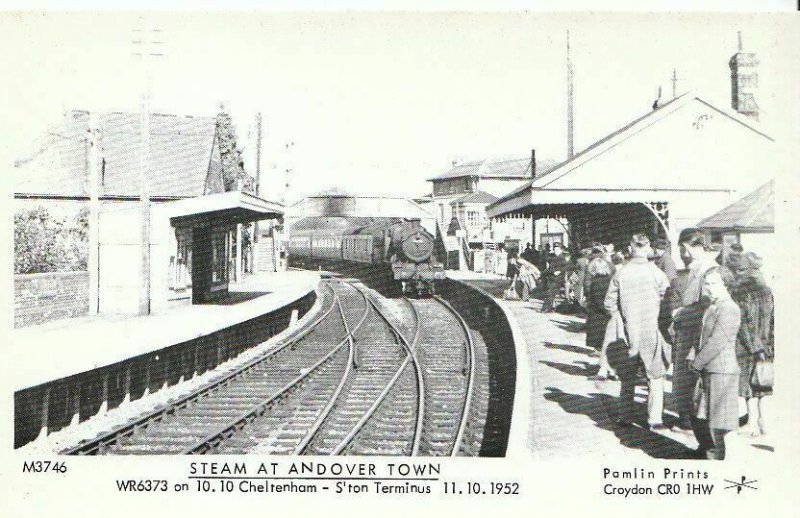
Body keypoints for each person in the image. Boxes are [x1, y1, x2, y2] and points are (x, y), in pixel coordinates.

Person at [604, 234, 670, 429]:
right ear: (648, 247)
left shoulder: (621, 273)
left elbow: (609, 303)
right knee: (655, 376)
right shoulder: (658, 274)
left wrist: (620, 317)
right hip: (652, 329)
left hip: (627, 331)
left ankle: (625, 416)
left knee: (628, 376)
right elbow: (666, 300)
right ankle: (655, 419)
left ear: (630, 248)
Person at [690, 269, 741, 460]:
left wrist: (697, 363)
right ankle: (708, 453)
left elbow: (718, 341)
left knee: (718, 423)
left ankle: (719, 462)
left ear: (726, 284)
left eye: (714, 284)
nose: (708, 288)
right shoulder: (713, 306)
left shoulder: (729, 308)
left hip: (721, 371)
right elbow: (702, 337)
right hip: (709, 369)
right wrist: (693, 357)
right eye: (706, 284)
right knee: (703, 417)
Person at [671, 230, 718, 434]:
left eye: (682, 249)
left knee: (692, 381)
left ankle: (693, 425)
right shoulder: (698, 269)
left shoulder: (708, 271)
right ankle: (691, 422)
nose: (682, 254)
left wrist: (682, 312)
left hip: (696, 336)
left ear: (686, 247)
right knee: (687, 381)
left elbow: (711, 306)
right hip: (689, 334)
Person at [729, 251, 773, 437]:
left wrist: (753, 346)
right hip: (766, 343)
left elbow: (743, 322)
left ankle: (751, 422)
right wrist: (768, 344)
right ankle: (763, 422)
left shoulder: (739, 290)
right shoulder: (766, 289)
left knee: (748, 385)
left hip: (747, 346)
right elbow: (773, 320)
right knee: (763, 382)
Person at [585, 254, 613, 353]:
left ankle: (598, 349)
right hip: (608, 309)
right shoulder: (610, 279)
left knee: (597, 330)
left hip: (598, 310)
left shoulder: (595, 282)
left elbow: (595, 298)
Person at [541, 242, 567, 313]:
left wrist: (559, 271)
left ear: (560, 250)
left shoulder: (562, 258)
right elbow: (550, 268)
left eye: (557, 249)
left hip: (558, 278)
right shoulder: (553, 257)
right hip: (551, 277)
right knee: (548, 290)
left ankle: (547, 308)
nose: (555, 250)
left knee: (550, 291)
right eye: (554, 249)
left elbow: (565, 268)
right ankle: (548, 307)